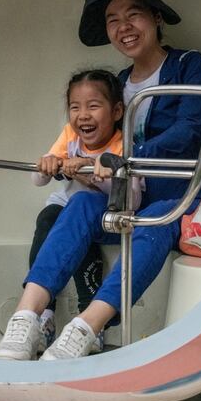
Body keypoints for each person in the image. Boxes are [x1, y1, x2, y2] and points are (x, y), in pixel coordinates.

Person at [0, 0, 201, 361]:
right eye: (114, 20)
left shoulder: (189, 65)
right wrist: (77, 166)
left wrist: (124, 160)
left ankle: (86, 327)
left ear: (156, 18)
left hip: (171, 198)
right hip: (122, 197)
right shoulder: (116, 85)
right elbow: (95, 143)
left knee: (156, 222)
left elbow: (191, 130)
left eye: (134, 15)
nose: (124, 27)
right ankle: (25, 318)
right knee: (76, 206)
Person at [27, 69, 142, 349]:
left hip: (106, 213)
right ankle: (44, 315)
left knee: (83, 224)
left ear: (116, 111)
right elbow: (37, 180)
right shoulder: (70, 135)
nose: (83, 115)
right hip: (70, 208)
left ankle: (89, 316)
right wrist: (48, 164)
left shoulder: (123, 144)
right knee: (49, 218)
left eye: (93, 106)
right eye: (75, 107)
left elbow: (134, 200)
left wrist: (93, 172)